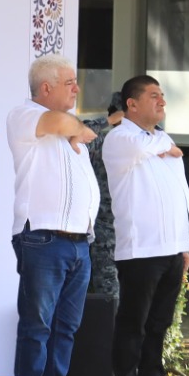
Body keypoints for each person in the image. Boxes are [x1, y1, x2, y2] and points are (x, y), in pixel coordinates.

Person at [5, 54, 99, 376]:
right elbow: (59, 122)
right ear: (46, 87)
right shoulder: (25, 115)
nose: (77, 88)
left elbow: (76, 129)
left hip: (78, 242)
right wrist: (74, 127)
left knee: (66, 326)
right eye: (69, 82)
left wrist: (76, 129)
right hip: (43, 236)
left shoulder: (69, 128)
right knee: (37, 324)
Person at [102, 76, 189, 376]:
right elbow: (139, 150)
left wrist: (185, 243)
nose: (162, 102)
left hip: (171, 248)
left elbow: (179, 193)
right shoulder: (120, 138)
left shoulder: (163, 139)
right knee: (133, 324)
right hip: (141, 249)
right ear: (132, 104)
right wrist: (165, 148)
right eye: (154, 96)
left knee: (159, 325)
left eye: (163, 96)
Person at [86, 91, 126, 300]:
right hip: (106, 229)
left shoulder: (148, 141)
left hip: (135, 230)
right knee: (109, 294)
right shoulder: (101, 140)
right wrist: (108, 121)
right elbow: (79, 135)